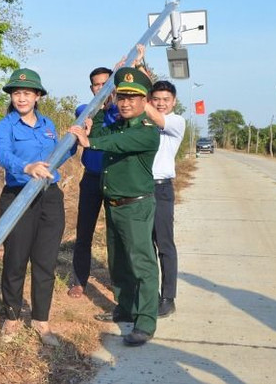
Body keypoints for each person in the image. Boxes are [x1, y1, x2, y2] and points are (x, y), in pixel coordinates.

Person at [69, 67, 160, 347]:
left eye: (133, 97)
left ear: (145, 101)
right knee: (118, 259)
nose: (125, 102)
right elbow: (103, 131)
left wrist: (91, 141)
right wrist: (90, 127)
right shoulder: (116, 125)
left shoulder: (146, 131)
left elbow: (116, 143)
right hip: (115, 205)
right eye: (122, 96)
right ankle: (125, 307)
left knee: (141, 262)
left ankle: (145, 320)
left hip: (136, 206)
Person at [0, 68, 67, 347]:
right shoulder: (6, 126)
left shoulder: (48, 125)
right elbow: (3, 154)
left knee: (45, 262)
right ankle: (11, 318)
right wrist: (26, 167)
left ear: (37, 96)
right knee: (15, 259)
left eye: (27, 93)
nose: (21, 98)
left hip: (49, 199)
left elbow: (59, 155)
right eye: (16, 93)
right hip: (18, 195)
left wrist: (75, 139)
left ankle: (41, 320)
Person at [68, 67, 119, 299]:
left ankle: (119, 284)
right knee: (84, 232)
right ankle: (79, 280)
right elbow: (83, 117)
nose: (101, 89)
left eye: (105, 84)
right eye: (97, 85)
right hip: (91, 178)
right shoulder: (85, 111)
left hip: (115, 179)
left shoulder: (119, 113)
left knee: (116, 234)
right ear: (92, 88)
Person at [145, 80, 186, 317]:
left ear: (174, 102)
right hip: (139, 189)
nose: (161, 104)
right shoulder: (141, 120)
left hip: (161, 189)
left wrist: (142, 91)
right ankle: (147, 295)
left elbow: (156, 116)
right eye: (156, 99)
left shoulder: (175, 122)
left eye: (166, 100)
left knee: (164, 244)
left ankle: (168, 296)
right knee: (143, 245)